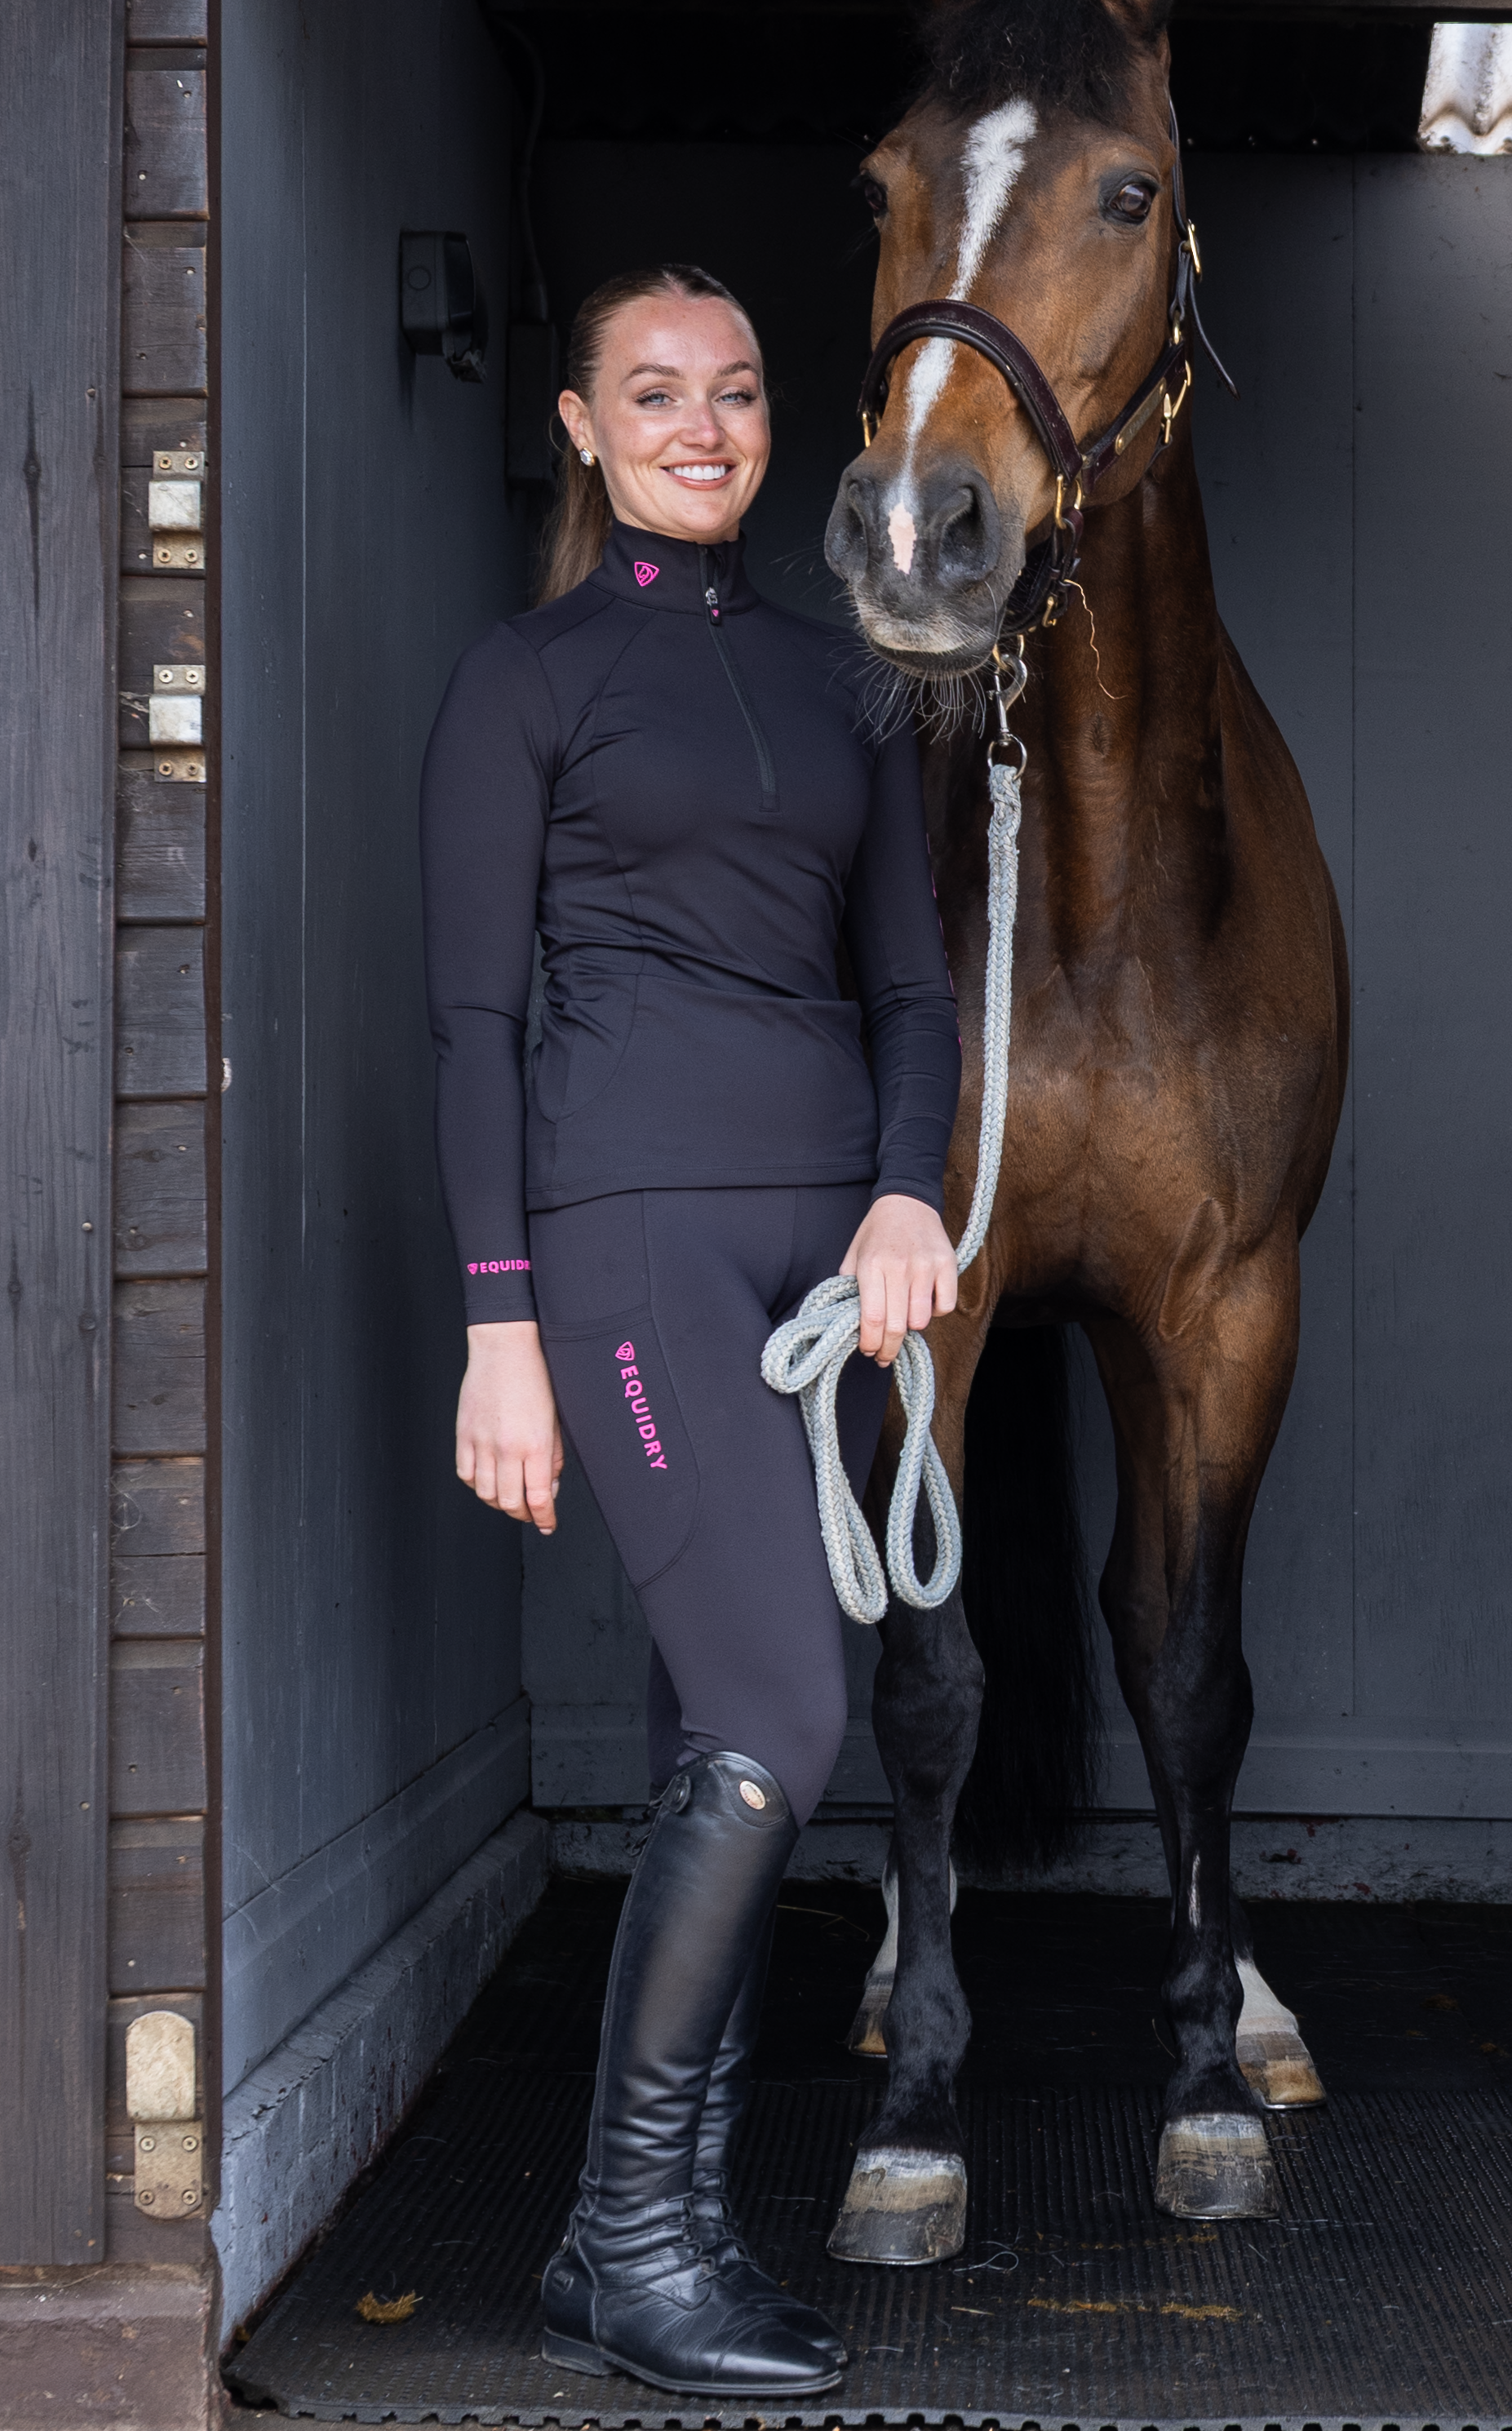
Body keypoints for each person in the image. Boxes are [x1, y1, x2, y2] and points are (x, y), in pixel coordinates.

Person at [419, 265, 960, 2402]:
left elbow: (912, 990)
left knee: (697, 1752)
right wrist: (499, 1324)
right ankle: (627, 2237)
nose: (702, 426)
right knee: (774, 1726)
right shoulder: (528, 678)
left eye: (734, 393)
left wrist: (908, 1190)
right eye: (656, 395)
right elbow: (470, 1026)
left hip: (821, 1281)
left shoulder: (849, 687)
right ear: (580, 423)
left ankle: (652, 2249)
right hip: (626, 1252)